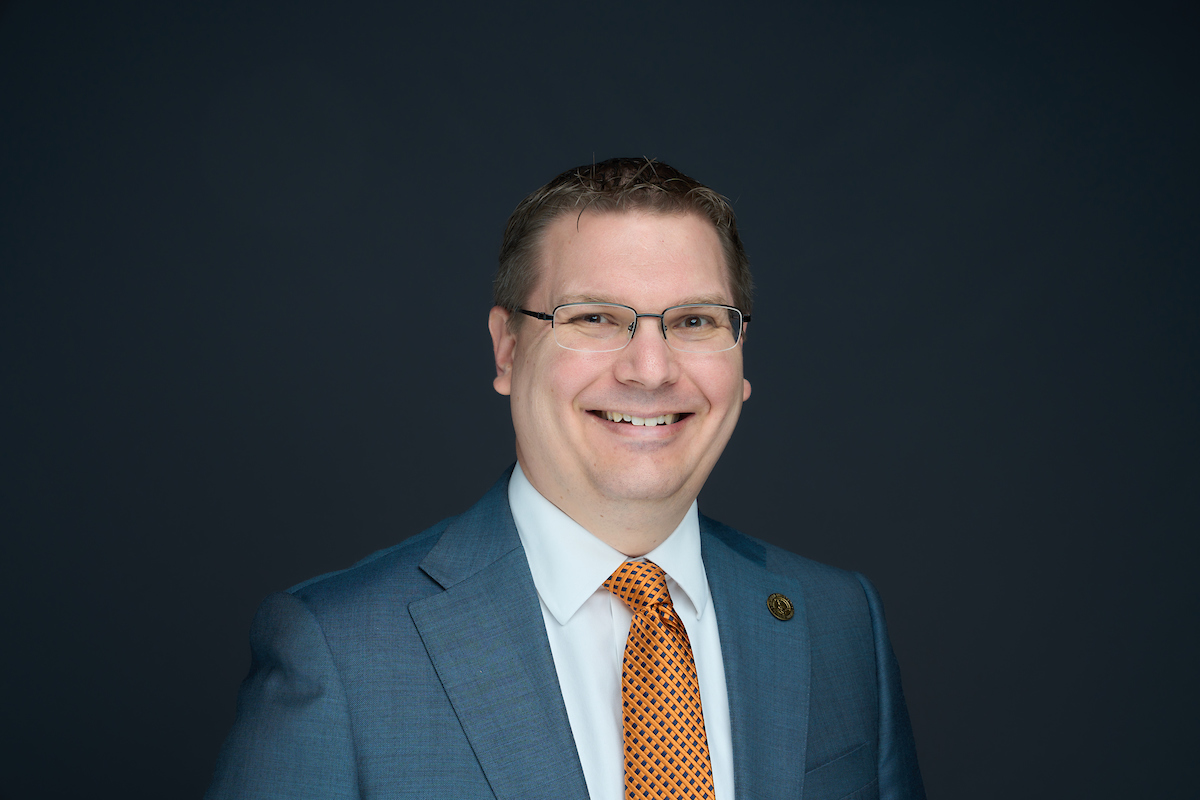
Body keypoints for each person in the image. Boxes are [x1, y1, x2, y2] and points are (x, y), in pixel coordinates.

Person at [206, 158, 925, 799]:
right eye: (595, 318)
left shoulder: (838, 623)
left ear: (739, 361)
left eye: (696, 321)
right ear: (508, 352)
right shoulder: (342, 654)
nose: (651, 368)